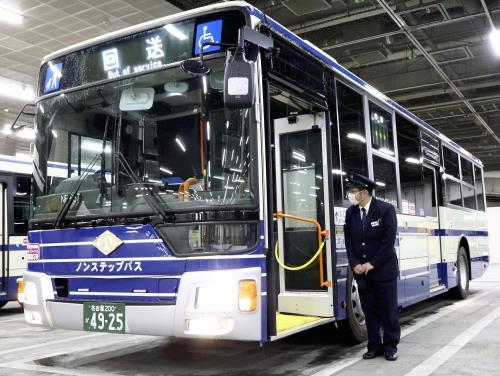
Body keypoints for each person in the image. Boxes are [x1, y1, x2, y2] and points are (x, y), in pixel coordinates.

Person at [343, 172, 400, 361]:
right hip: (363, 274)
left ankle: (391, 346)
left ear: (365, 192)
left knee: (388, 310)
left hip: (384, 271)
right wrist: (355, 264)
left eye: (354, 191)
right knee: (370, 311)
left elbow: (388, 242)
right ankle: (374, 345)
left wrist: (372, 263)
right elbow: (349, 242)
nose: (351, 194)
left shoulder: (385, 210)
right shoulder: (351, 213)